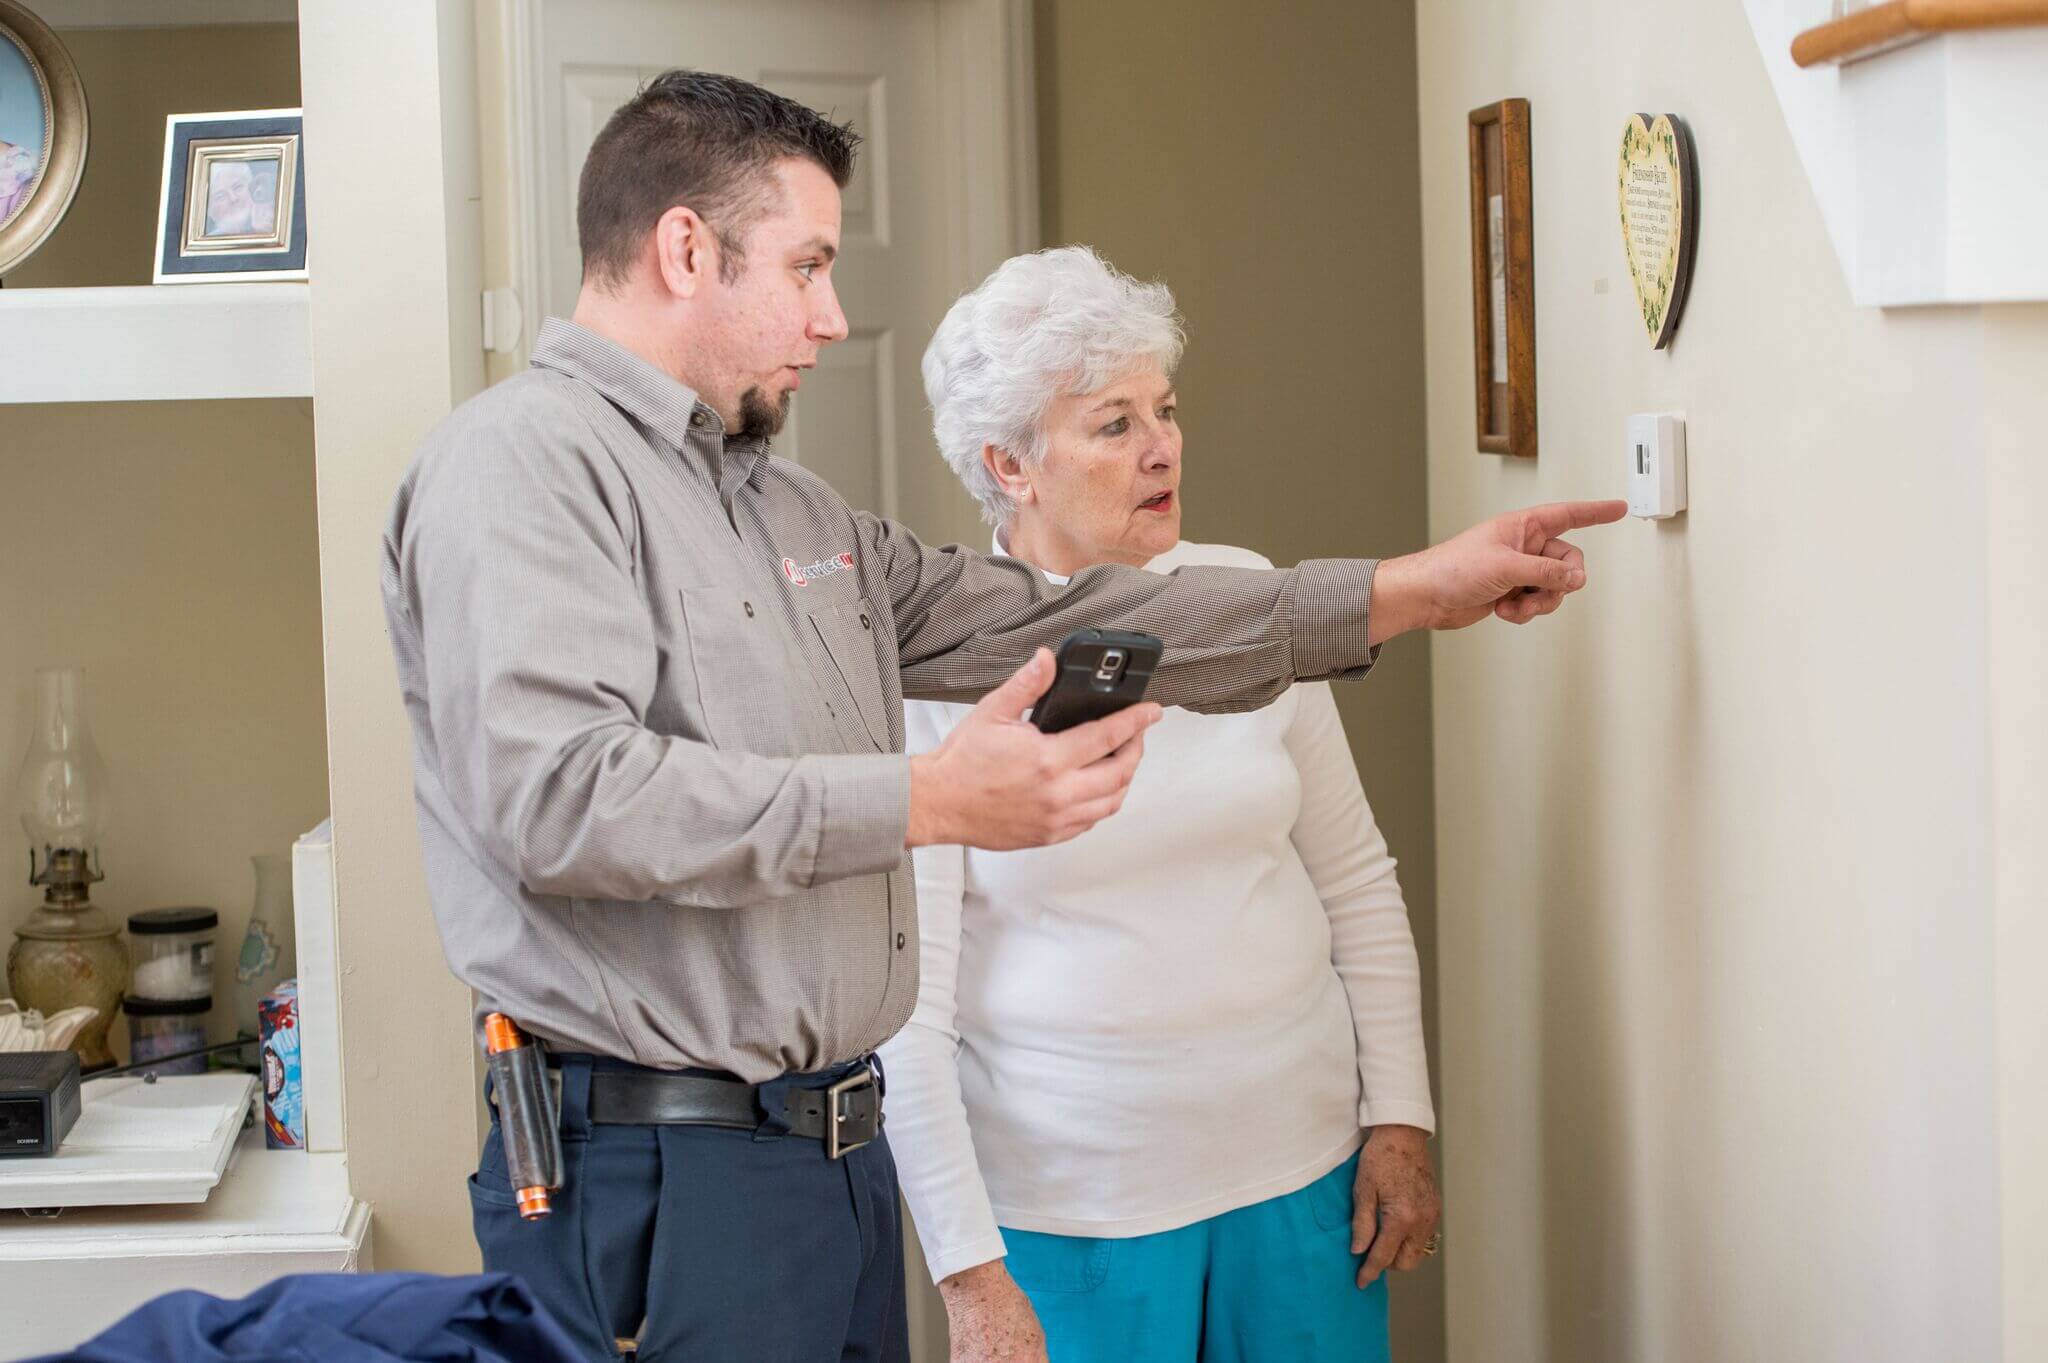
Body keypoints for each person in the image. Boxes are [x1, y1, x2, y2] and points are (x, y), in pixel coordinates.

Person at [380, 69, 1622, 1363]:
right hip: (659, 1170)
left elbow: (1059, 617)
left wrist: (1410, 590)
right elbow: (559, 797)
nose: (832, 313)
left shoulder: (791, 511)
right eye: (806, 267)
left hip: (827, 1163)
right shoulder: (517, 465)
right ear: (686, 248)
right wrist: (926, 799)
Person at [882, 247, 1437, 1363]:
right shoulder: (933, 669)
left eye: (1165, 409)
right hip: (1069, 1210)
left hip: (1304, 1177)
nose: (1161, 446)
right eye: (1112, 423)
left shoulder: (1249, 599)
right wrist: (966, 1276)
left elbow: (1354, 879)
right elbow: (908, 1010)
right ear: (1009, 463)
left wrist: (1401, 1118)